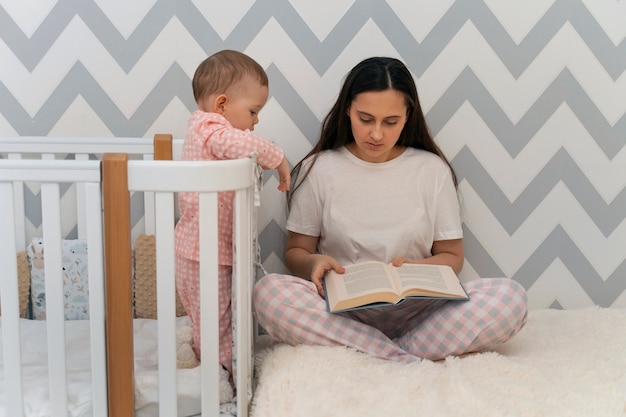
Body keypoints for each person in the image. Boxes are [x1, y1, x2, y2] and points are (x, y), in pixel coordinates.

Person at [253, 56, 527, 363]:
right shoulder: (319, 169)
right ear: (347, 109)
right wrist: (314, 262)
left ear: (408, 116)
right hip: (343, 310)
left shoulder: (431, 170)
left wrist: (414, 270)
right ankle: (401, 353)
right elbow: (296, 253)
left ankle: (373, 351)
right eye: (365, 119)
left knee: (510, 298)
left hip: (421, 312)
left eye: (390, 122)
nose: (377, 135)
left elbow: (453, 257)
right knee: (268, 293)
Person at [175, 50, 290, 393]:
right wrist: (278, 158)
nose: (255, 122)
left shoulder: (209, 130)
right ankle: (223, 379)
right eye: (253, 111)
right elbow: (238, 142)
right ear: (222, 104)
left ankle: (206, 358)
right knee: (218, 319)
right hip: (201, 251)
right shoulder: (209, 127)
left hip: (207, 249)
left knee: (215, 315)